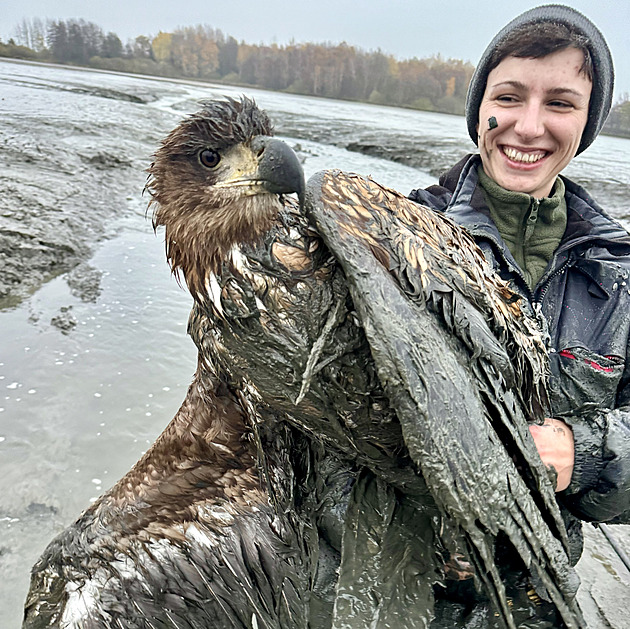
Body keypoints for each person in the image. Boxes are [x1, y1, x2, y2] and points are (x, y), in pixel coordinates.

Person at [409, 4, 630, 627]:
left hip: (535, 600)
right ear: (482, 107)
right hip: (396, 591)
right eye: (508, 96)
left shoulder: (617, 274)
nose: (528, 127)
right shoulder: (397, 237)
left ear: (586, 124)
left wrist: (580, 452)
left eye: (560, 103)